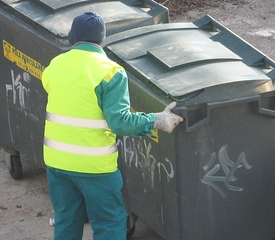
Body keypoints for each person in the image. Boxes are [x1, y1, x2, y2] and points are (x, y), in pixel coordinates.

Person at [41, 11, 183, 240]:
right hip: (94, 166)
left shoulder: (55, 65)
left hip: (57, 162)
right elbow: (120, 122)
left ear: (71, 37)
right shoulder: (110, 71)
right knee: (109, 223)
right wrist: (157, 120)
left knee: (66, 220)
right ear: (102, 39)